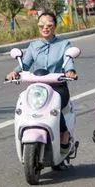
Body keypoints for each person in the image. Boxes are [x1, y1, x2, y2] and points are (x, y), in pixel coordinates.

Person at [6, 12, 77, 150]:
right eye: (41, 25)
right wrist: (14, 72)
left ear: (55, 26)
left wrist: (70, 71)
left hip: (58, 87)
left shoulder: (64, 44)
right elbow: (24, 64)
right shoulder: (33, 46)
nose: (45, 28)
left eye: (49, 25)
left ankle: (64, 131)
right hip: (38, 88)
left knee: (55, 106)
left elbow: (69, 61)